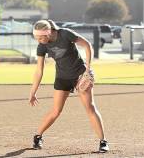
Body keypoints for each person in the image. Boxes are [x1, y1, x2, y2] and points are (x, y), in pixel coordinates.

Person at [29, 20, 109, 152]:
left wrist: (88, 70)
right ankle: (37, 136)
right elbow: (39, 70)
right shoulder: (42, 46)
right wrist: (33, 91)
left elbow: (87, 45)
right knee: (56, 111)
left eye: (40, 37)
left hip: (80, 75)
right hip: (62, 78)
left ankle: (103, 141)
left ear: (48, 33)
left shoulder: (65, 34)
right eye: (36, 37)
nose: (38, 40)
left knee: (90, 108)